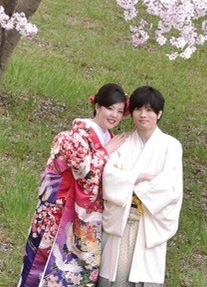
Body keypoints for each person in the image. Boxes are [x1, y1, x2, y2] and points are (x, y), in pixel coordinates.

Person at [18, 83, 129, 287]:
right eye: (109, 108)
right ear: (97, 105)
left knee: (80, 269)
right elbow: (84, 174)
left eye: (120, 111)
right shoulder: (76, 136)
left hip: (88, 216)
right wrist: (106, 152)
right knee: (43, 264)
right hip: (59, 210)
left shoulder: (108, 137)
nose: (114, 115)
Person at [99, 85, 184, 287]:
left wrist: (129, 184)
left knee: (144, 274)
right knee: (115, 276)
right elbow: (108, 175)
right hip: (122, 219)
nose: (142, 115)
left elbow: (170, 186)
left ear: (159, 114)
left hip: (148, 222)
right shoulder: (123, 142)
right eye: (138, 109)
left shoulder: (171, 146)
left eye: (149, 110)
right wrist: (136, 178)